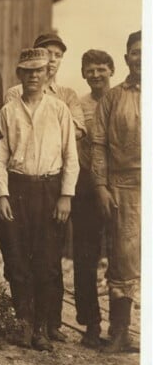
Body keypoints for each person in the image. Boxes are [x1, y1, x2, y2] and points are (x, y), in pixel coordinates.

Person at [0, 48, 78, 351]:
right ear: (19, 75)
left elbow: (71, 156)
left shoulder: (58, 109)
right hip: (16, 188)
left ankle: (43, 326)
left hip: (49, 190)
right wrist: (2, 194)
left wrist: (65, 196)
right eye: (27, 71)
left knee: (46, 261)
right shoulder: (9, 111)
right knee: (16, 258)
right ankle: (24, 323)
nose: (33, 76)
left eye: (38, 71)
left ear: (47, 74)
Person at [92, 30, 141, 353]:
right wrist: (101, 186)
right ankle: (120, 331)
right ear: (126, 59)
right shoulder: (113, 98)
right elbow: (98, 145)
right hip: (123, 187)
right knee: (123, 261)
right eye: (136, 52)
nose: (142, 57)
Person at [72, 49, 114, 348]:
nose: (96, 75)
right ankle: (91, 325)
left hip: (122, 183)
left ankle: (121, 326)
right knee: (86, 256)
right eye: (90, 70)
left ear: (111, 70)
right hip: (86, 184)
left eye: (101, 69)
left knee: (120, 257)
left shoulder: (125, 99)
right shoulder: (80, 104)